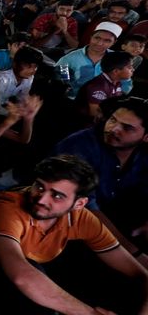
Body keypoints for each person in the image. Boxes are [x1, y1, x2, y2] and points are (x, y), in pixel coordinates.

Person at [0, 155, 148, 314]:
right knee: (36, 296)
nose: (42, 199)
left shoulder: (82, 218)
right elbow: (22, 276)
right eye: (39, 187)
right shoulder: (8, 206)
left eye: (57, 195)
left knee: (124, 282)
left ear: (79, 203)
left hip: (42, 264)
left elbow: (141, 275)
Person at [53, 98, 148, 268]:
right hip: (67, 222)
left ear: (146, 137)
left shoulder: (144, 153)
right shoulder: (79, 146)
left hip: (114, 216)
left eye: (127, 128)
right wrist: (133, 253)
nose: (113, 129)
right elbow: (84, 207)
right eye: (113, 120)